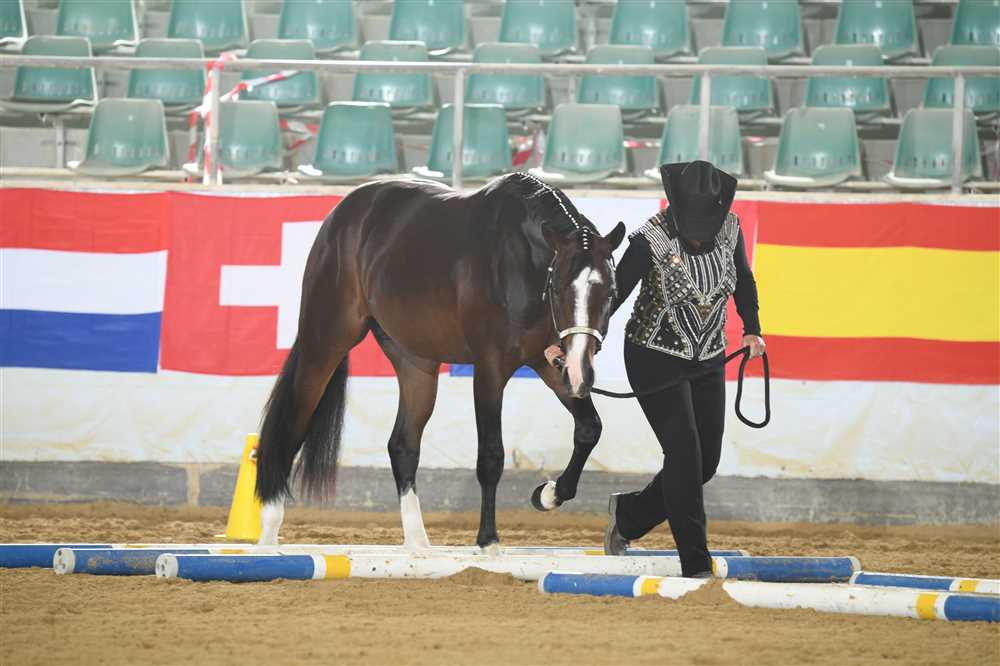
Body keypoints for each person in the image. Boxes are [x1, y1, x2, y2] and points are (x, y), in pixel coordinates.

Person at [546, 160, 765, 578]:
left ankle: (630, 516)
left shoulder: (731, 229)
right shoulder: (650, 239)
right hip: (653, 356)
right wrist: (578, 345)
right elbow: (613, 295)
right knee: (684, 455)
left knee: (706, 462)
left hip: (709, 357)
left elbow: (743, 278)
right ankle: (695, 564)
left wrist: (752, 328)